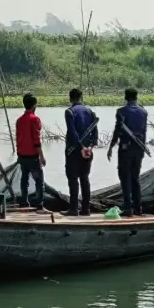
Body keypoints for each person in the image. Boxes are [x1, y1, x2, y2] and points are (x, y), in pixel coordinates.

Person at [107, 88, 148, 217]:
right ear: (136, 97)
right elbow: (144, 131)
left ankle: (128, 208)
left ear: (125, 97)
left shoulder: (121, 111)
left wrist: (111, 146)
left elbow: (117, 130)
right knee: (135, 178)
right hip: (139, 149)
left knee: (125, 178)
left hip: (126, 150)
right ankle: (138, 208)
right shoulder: (143, 112)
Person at [64, 88, 98, 216]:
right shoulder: (90, 112)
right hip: (87, 151)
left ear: (70, 98)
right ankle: (85, 209)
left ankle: (73, 209)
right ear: (81, 97)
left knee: (73, 178)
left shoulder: (69, 112)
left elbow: (73, 133)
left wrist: (81, 147)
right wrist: (89, 147)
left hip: (74, 151)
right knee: (84, 178)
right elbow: (95, 132)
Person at [15, 92, 45, 209]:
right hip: (32, 156)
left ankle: (24, 202)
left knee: (24, 179)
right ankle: (40, 205)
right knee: (39, 180)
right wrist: (41, 156)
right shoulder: (35, 119)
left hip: (22, 155)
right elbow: (36, 140)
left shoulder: (19, 120)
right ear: (34, 105)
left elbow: (18, 139)